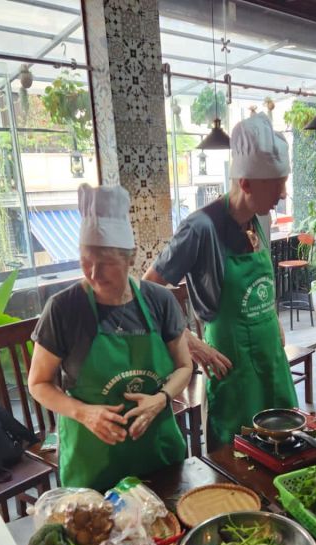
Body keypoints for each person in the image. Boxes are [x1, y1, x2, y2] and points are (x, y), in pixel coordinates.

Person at [143, 114, 296, 447]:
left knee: (285, 446)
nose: (283, 194)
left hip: (271, 359)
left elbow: (260, 287)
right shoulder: (200, 228)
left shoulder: (260, 219)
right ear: (245, 183)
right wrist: (189, 342)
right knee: (239, 456)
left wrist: (271, 318)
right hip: (233, 366)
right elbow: (146, 294)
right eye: (277, 184)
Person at [28, 184, 192, 491]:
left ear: (130, 258)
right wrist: (84, 413)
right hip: (93, 465)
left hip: (156, 455)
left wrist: (161, 399)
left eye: (106, 263)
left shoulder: (159, 301)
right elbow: (38, 383)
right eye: (85, 260)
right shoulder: (64, 309)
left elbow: (184, 366)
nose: (93, 273)